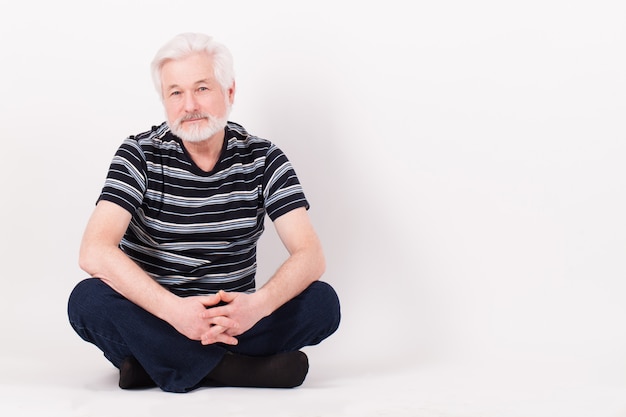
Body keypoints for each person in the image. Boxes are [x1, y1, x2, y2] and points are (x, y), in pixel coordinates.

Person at [67, 32, 341, 393]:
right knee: (87, 301)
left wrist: (256, 308)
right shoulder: (139, 154)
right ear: (164, 101)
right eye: (175, 92)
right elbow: (94, 251)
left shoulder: (264, 159)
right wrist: (175, 313)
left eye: (202, 88)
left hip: (237, 322)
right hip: (156, 318)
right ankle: (239, 370)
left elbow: (310, 255)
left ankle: (159, 365)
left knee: (323, 303)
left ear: (229, 93)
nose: (189, 105)